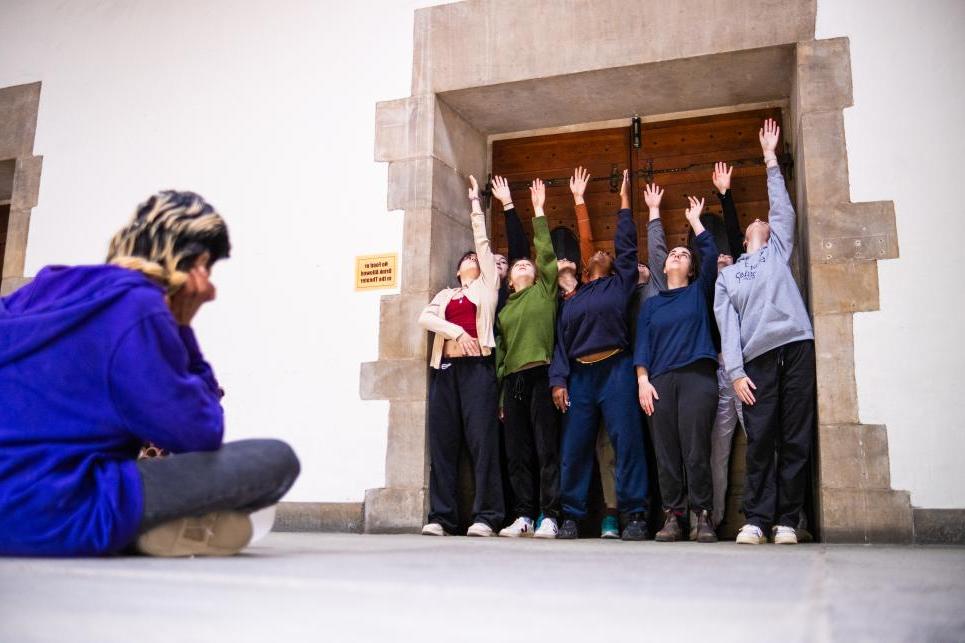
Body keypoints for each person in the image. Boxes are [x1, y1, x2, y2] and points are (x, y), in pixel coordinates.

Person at [0, 190, 300, 557]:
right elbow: (198, 433)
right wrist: (183, 327)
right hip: (63, 512)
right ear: (197, 263)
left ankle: (162, 527)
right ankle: (146, 530)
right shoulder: (139, 307)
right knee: (275, 460)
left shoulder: (36, 290)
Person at [714, 119, 816, 545]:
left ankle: (788, 521)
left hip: (794, 346)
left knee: (794, 434)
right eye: (754, 221)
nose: (762, 219)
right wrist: (735, 373)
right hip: (755, 361)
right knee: (761, 438)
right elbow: (727, 325)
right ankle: (755, 518)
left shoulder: (777, 250)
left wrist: (770, 158)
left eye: (766, 221)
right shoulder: (731, 274)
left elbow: (782, 211)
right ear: (744, 240)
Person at [549, 169, 650, 541]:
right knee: (574, 446)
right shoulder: (574, 297)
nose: (605, 253)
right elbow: (560, 340)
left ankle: (635, 514)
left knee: (627, 441)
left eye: (610, 254)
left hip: (617, 369)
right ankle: (571, 516)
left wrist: (625, 201)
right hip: (580, 375)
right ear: (587, 264)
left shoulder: (620, 283)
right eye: (599, 252)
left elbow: (625, 245)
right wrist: (559, 379)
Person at [418, 175, 505, 537]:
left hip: (478, 371)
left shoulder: (487, 287)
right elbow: (426, 318)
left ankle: (486, 516)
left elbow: (482, 243)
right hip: (446, 370)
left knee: (483, 442)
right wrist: (457, 331)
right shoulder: (445, 294)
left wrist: (475, 204)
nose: (472, 258)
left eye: (475, 258)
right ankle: (442, 517)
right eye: (466, 259)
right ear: (457, 270)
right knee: (443, 443)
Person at [635, 195, 720, 542]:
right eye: (673, 253)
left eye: (684, 254)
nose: (677, 255)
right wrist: (642, 381)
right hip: (659, 382)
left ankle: (703, 516)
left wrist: (695, 221)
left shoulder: (700, 291)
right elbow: (642, 346)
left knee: (695, 448)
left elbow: (711, 256)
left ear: (691, 268)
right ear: (665, 266)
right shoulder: (652, 305)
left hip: (697, 377)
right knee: (666, 450)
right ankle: (673, 515)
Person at [495, 179, 561, 539]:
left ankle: (549, 514)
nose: (522, 266)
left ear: (537, 277)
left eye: (527, 265)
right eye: (517, 266)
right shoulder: (505, 311)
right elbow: (501, 357)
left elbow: (546, 255)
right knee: (517, 453)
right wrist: (502, 397)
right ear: (509, 281)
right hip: (513, 383)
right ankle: (522, 514)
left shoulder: (545, 293)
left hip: (542, 376)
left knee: (546, 448)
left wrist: (538, 212)